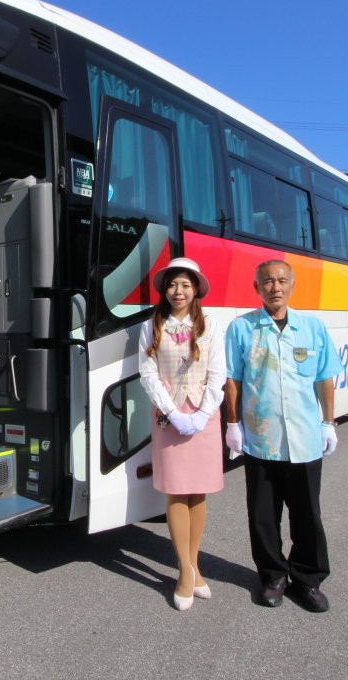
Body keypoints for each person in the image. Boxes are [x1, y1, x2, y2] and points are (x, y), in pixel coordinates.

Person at [223, 259, 344, 613]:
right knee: (263, 515)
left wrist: (328, 422)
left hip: (304, 438)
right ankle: (273, 576)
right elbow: (232, 379)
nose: (275, 287)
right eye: (267, 281)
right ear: (256, 287)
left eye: (281, 280)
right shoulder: (241, 328)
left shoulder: (312, 327)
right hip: (261, 440)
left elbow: (324, 377)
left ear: (292, 285)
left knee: (307, 514)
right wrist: (233, 423)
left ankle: (308, 579)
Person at [138, 257, 226, 611]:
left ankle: (193, 565)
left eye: (186, 285)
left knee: (198, 492)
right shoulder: (152, 324)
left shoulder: (210, 325)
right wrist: (172, 412)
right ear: (165, 290)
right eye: (173, 284)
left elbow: (218, 373)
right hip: (168, 416)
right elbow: (147, 372)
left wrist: (203, 414)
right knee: (176, 492)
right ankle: (186, 573)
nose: (179, 291)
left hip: (204, 417)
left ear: (196, 290)